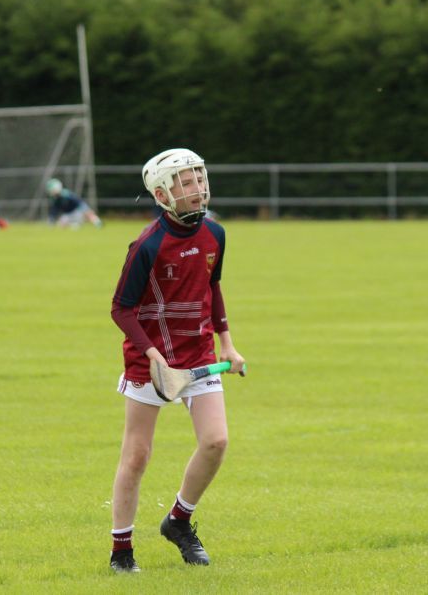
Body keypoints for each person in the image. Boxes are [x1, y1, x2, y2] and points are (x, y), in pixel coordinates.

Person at [108, 148, 245, 573]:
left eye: (199, 178)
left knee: (216, 442)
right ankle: (121, 551)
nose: (197, 187)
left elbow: (212, 287)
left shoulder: (216, 234)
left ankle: (179, 521)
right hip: (150, 361)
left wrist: (227, 344)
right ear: (162, 194)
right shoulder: (147, 244)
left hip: (198, 352)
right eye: (186, 182)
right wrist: (153, 357)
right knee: (137, 456)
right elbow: (121, 309)